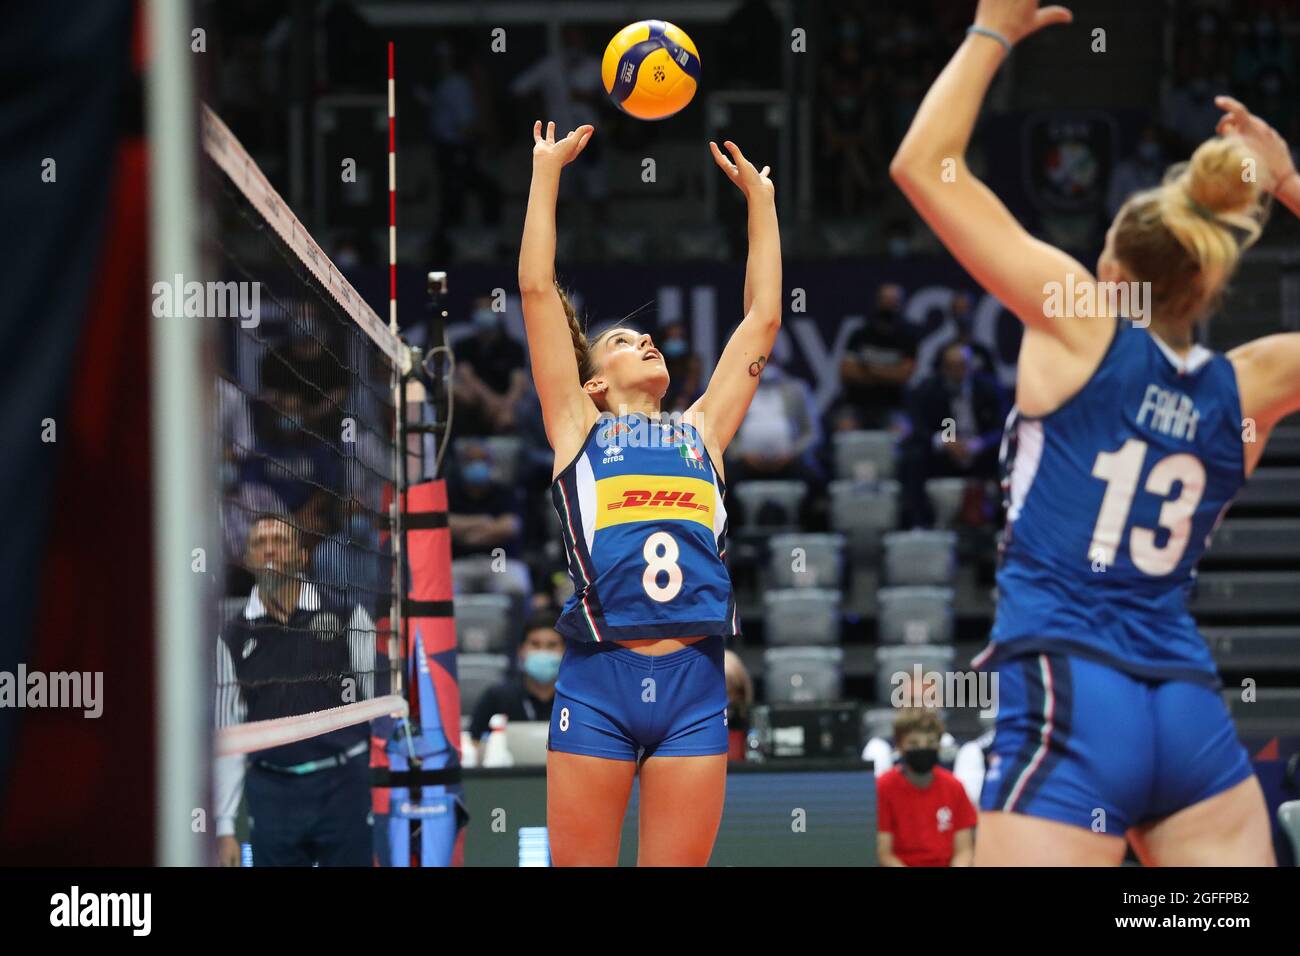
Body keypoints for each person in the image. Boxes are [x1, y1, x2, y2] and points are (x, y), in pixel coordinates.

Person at [890, 0, 1300, 865]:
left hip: (1068, 688)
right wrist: (1288, 182)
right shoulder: (1250, 383)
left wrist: (989, 31)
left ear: (1110, 269)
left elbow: (925, 166)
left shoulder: (1079, 321)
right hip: (1184, 705)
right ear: (1206, 289)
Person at [519, 120, 781, 865]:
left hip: (696, 685)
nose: (644, 342)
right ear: (594, 383)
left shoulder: (705, 432)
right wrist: (547, 172)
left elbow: (762, 319)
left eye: (647, 339)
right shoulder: (576, 429)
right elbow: (537, 289)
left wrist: (760, 202)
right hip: (599, 678)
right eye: (621, 343)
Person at [214, 515, 377, 867]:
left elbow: (373, 702)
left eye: (282, 541)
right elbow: (229, 733)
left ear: (303, 556)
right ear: (248, 560)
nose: (270, 549)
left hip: (343, 784)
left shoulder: (348, 616)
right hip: (272, 792)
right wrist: (224, 826)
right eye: (259, 543)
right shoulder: (232, 636)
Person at [899, 342, 1006, 527]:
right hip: (944, 453)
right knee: (913, 457)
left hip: (979, 451)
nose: (957, 371)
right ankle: (920, 522)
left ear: (970, 366)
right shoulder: (927, 390)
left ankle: (1003, 521)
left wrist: (977, 444)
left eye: (961, 365)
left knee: (1008, 456)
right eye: (951, 366)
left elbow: (1002, 426)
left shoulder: (988, 388)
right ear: (942, 368)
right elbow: (918, 428)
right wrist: (945, 441)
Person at [876, 709, 977, 867]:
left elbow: (964, 851)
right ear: (900, 746)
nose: (923, 749)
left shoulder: (954, 787)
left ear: (939, 746)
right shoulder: (883, 788)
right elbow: (884, 854)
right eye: (914, 743)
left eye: (930, 743)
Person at [468, 608, 562, 742]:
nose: (543, 652)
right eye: (535, 644)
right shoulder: (496, 697)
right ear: (521, 651)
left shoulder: (576, 701)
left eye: (552, 645)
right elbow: (473, 744)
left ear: (565, 651)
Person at [838, 283, 917, 430]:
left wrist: (867, 368)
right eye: (886, 301)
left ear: (901, 304)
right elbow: (846, 372)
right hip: (856, 403)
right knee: (844, 428)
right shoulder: (860, 334)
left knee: (902, 432)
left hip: (893, 405)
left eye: (893, 301)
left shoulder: (908, 337)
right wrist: (889, 372)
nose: (889, 306)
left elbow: (902, 376)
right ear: (877, 302)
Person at [452, 297, 528, 437]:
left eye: (489, 310)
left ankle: (505, 436)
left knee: (510, 413)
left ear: (498, 315)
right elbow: (467, 377)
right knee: (457, 391)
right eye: (481, 310)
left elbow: (519, 382)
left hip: (505, 402)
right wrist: (490, 400)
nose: (484, 314)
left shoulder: (514, 347)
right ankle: (465, 438)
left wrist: (505, 405)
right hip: (479, 399)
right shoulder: (463, 346)